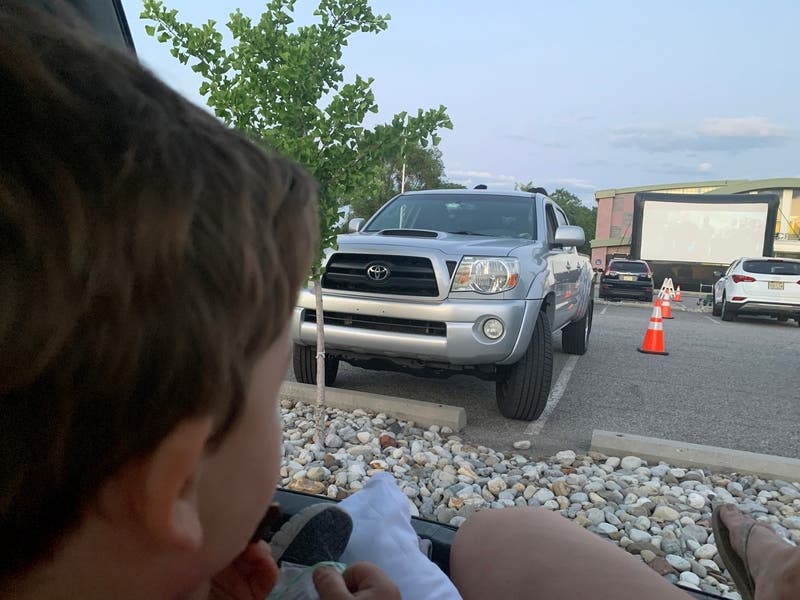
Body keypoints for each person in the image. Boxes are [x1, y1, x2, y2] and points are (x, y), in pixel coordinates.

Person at [2, 4, 798, 600]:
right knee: (503, 533)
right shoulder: (373, 241)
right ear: (176, 484)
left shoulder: (536, 242)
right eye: (272, 396)